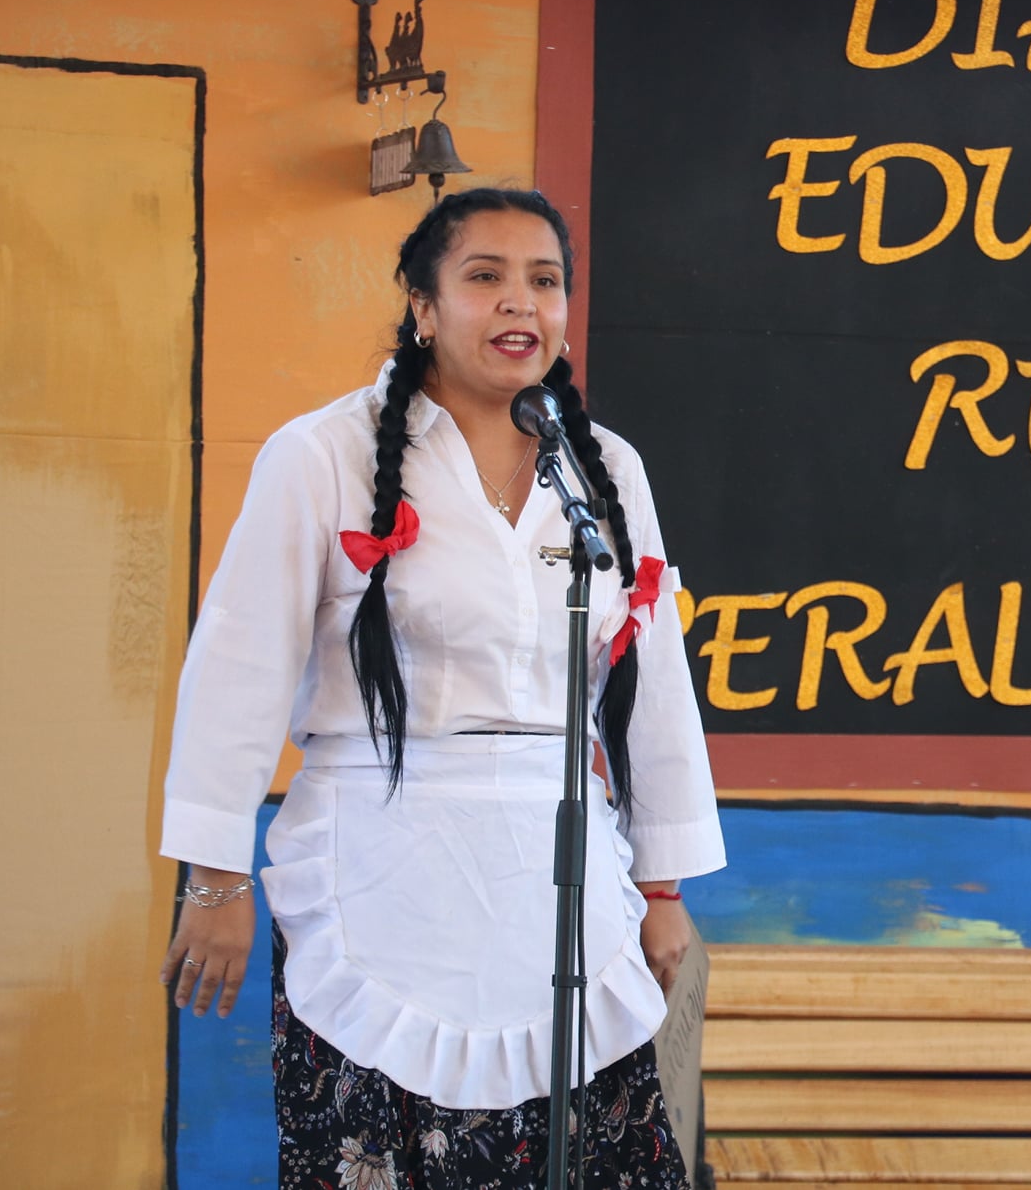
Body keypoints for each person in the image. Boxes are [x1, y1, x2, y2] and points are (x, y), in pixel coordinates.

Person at [156, 187, 724, 1190]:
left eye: (543, 282)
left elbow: (651, 677)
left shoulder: (606, 471)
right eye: (485, 277)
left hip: (563, 880)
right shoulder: (321, 454)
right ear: (421, 306)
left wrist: (661, 886)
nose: (521, 304)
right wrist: (214, 877)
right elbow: (238, 664)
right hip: (376, 867)